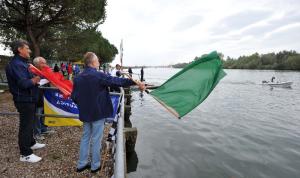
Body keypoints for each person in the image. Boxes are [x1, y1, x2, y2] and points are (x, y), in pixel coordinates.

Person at [71, 52, 145, 173]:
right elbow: (116, 81)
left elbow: (74, 96)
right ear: (92, 62)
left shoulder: (78, 77)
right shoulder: (98, 75)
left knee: (85, 138)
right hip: (97, 113)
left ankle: (81, 164)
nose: (99, 63)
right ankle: (95, 166)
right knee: (96, 139)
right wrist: (134, 82)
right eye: (98, 61)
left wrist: (84, 105)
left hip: (85, 113)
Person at [5, 39, 45, 163]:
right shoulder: (16, 64)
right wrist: (36, 79)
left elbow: (26, 78)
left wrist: (35, 78)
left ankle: (31, 143)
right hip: (23, 99)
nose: (29, 50)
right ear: (19, 50)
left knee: (30, 122)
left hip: (29, 98)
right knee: (26, 126)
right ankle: (25, 154)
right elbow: (23, 83)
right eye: (26, 48)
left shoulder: (22, 63)